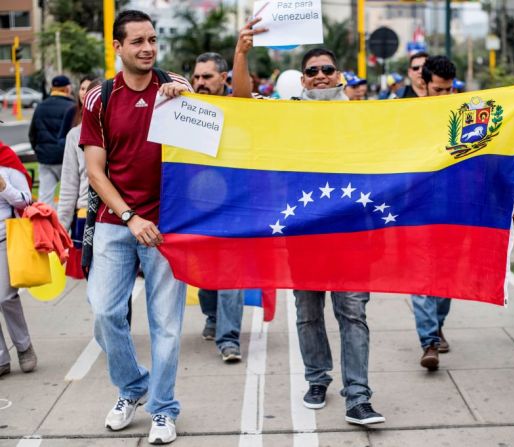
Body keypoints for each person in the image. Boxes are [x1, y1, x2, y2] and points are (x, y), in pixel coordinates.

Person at [232, 18, 385, 426]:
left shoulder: (364, 115)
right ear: (303, 78)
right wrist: (242, 53)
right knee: (308, 310)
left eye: (327, 70)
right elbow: (242, 101)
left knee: (353, 313)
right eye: (313, 71)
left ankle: (358, 396)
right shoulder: (288, 113)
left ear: (340, 76)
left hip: (351, 233)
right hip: (303, 232)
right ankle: (317, 379)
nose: (320, 76)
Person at [79, 10, 192, 445]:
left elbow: (212, 140)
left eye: (152, 40)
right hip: (115, 222)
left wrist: (188, 100)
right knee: (106, 313)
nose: (147, 48)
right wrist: (130, 216)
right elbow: (95, 171)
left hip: (167, 225)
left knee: (165, 323)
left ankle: (163, 409)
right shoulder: (101, 98)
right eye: (138, 41)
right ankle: (132, 386)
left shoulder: (176, 86)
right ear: (118, 47)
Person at [190, 51, 246, 363]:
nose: (200, 82)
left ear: (223, 78)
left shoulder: (241, 106)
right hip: (198, 209)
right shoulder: (185, 108)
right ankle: (212, 317)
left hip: (236, 209)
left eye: (207, 77)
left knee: (230, 275)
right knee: (205, 274)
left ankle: (229, 339)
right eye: (196, 77)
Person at [410, 55, 456, 372]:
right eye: (437, 90)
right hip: (415, 211)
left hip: (452, 211)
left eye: (448, 90)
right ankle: (428, 340)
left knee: (447, 279)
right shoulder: (405, 114)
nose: (443, 96)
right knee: (422, 276)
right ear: (424, 85)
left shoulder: (463, 115)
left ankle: (437, 324)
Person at [57, 77, 100, 278]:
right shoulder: (75, 135)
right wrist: (61, 229)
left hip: (120, 218)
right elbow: (68, 185)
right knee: (94, 284)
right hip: (86, 215)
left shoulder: (122, 130)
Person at [0, 140, 36, 378]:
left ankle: (24, 347)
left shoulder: (7, 161)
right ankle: (1, 358)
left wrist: (4, 188)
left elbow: (27, 200)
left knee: (5, 297)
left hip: (5, 238)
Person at [28, 75, 75, 207]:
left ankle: (45, 226)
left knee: (45, 197)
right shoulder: (72, 107)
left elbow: (32, 134)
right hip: (66, 160)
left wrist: (39, 151)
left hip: (45, 159)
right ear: (67, 89)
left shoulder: (41, 106)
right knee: (69, 197)